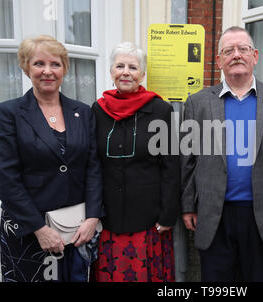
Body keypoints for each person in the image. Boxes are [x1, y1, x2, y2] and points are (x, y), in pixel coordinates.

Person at [180, 26, 263, 281]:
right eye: (229, 50)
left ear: (255, 56)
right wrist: (188, 204)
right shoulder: (198, 103)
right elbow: (188, 160)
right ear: (219, 60)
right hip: (214, 216)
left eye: (242, 49)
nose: (236, 55)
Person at [0, 35, 104, 282]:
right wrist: (39, 229)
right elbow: (6, 179)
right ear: (26, 67)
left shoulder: (82, 112)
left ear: (64, 68)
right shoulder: (9, 113)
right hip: (28, 231)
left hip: (76, 230)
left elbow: (93, 167)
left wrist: (93, 217)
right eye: (39, 64)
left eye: (55, 64)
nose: (48, 71)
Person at [92, 42, 180, 282]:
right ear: (111, 72)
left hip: (149, 220)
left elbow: (171, 166)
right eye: (119, 66)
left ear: (142, 74)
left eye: (133, 67)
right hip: (107, 218)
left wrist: (168, 215)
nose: (125, 72)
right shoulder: (98, 110)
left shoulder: (161, 110)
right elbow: (92, 164)